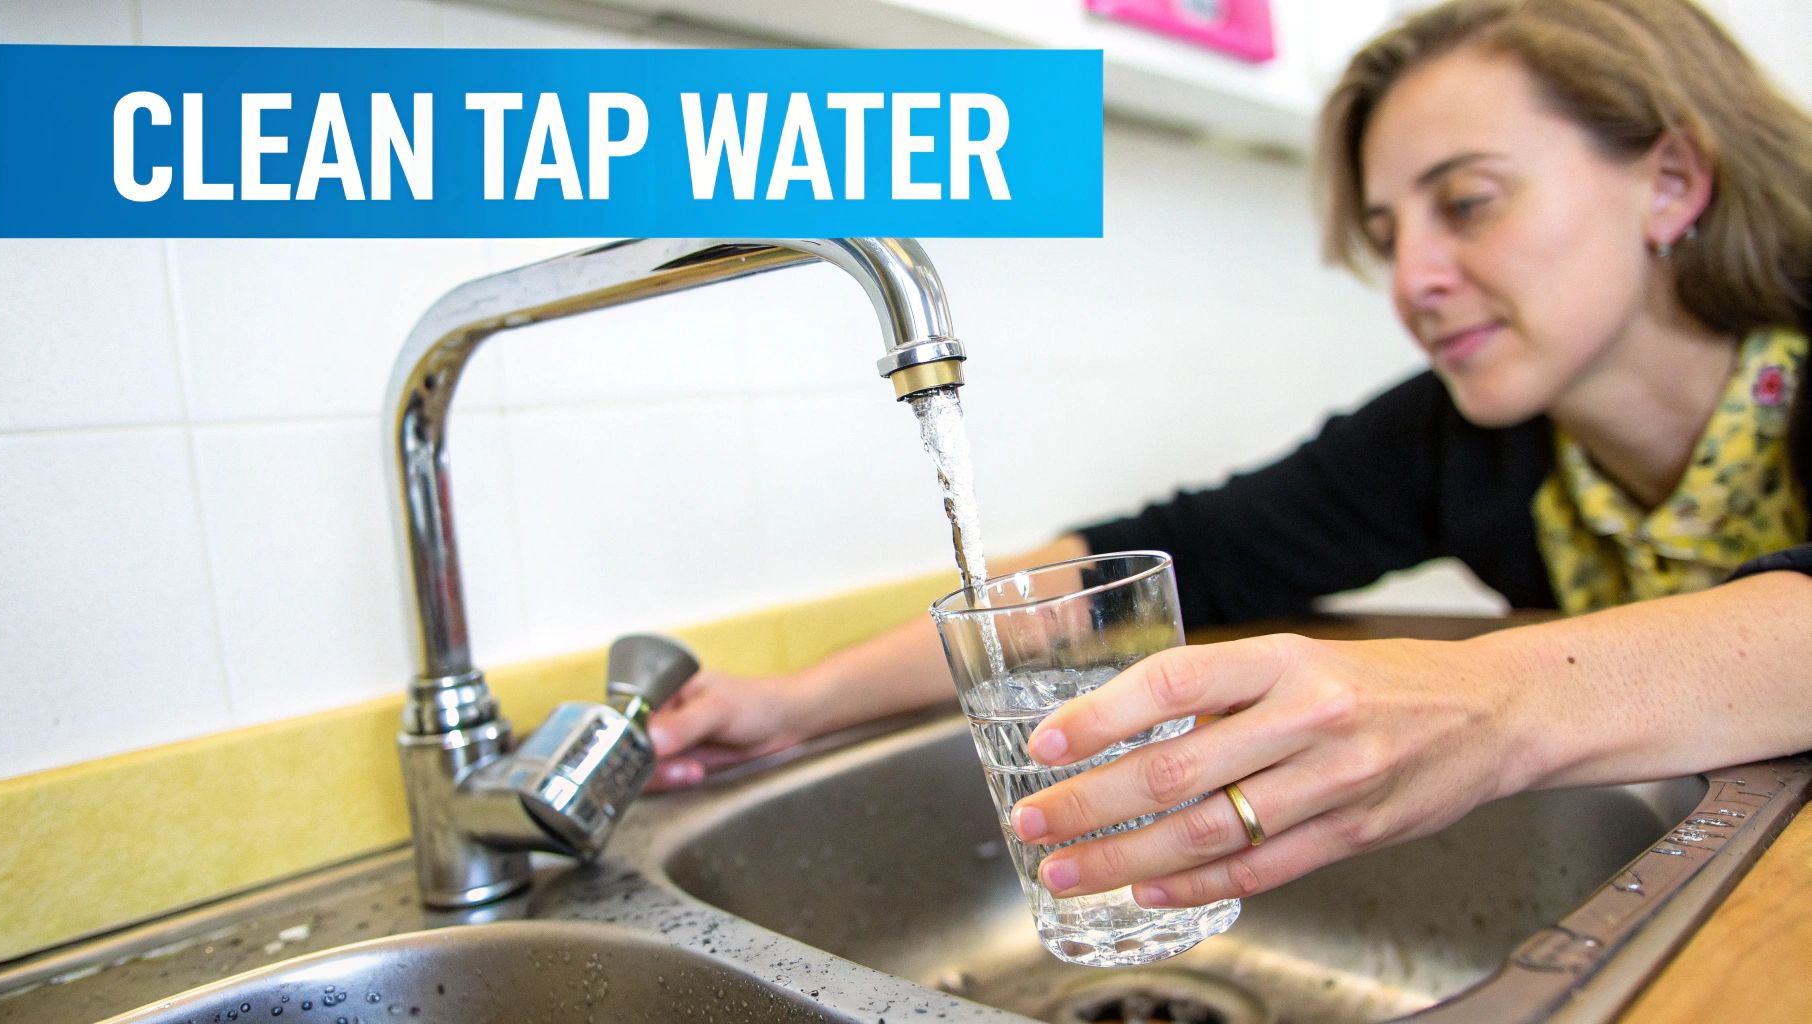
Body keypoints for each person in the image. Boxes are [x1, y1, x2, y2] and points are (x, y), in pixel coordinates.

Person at [649, 0, 1812, 912]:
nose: (1410, 282)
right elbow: (1152, 561)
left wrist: (1490, 702)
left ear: (1669, 181)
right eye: (1383, 233)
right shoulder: (1456, 439)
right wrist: (796, 700)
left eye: (1466, 203)